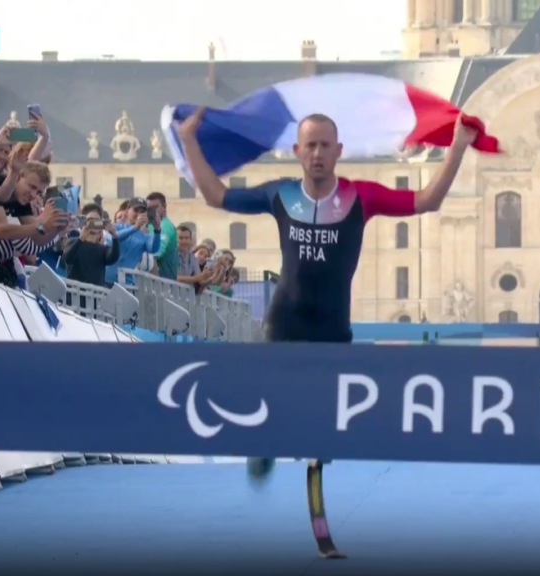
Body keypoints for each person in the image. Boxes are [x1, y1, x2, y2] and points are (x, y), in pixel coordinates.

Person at [176, 106, 477, 549]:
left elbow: (427, 200)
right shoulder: (279, 195)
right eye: (309, 145)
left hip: (333, 330)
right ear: (297, 152)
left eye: (324, 146)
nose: (317, 153)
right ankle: (263, 445)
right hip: (284, 323)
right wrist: (188, 141)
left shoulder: (362, 197)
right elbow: (215, 196)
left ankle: (319, 518)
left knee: (324, 430)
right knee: (275, 406)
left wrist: (458, 146)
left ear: (339, 151)